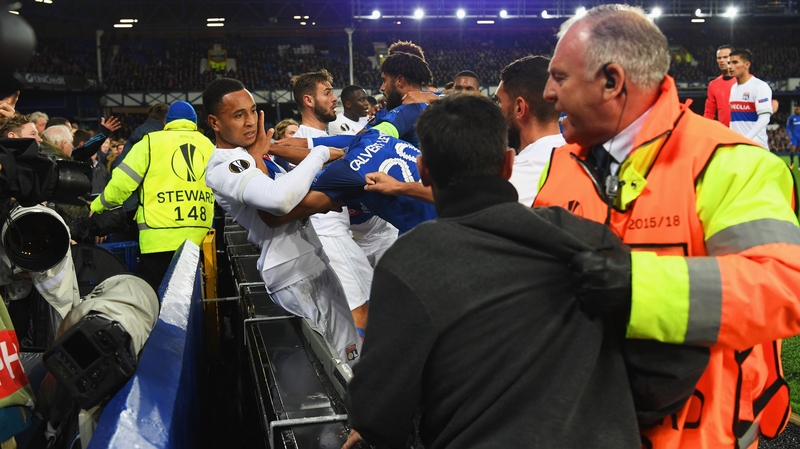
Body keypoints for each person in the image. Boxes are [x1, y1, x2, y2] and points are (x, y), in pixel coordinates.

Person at [536, 5, 800, 448]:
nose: (547, 92)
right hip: (578, 425)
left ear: (611, 81)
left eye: (559, 77)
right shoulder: (558, 164)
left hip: (695, 434)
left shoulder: (729, 162)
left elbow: (785, 283)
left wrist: (639, 288)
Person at [342, 94, 640, 449]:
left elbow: (377, 416)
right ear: (508, 164)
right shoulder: (592, 237)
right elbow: (659, 362)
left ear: (423, 170)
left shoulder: (410, 263)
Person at [202, 78, 361, 365]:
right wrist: (320, 154)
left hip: (310, 260)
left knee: (350, 357)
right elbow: (278, 203)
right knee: (338, 366)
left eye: (252, 111)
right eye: (239, 115)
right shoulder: (223, 165)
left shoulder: (247, 155)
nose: (250, 121)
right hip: (293, 272)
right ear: (214, 122)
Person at [90, 101, 215, 290]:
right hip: (200, 240)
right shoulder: (209, 146)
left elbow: (121, 185)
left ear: (168, 122)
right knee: (195, 300)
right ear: (195, 122)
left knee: (156, 300)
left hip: (158, 240)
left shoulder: (150, 143)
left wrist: (97, 206)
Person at [290, 70, 373, 333]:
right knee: (362, 314)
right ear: (308, 100)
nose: (334, 98)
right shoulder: (297, 147)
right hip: (329, 239)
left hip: (339, 236)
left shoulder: (324, 138)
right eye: (327, 93)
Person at [495, 56, 566, 206]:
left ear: (519, 108)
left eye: (499, 102)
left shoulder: (513, 177)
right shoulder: (584, 162)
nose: (496, 111)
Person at [728, 48, 772, 150]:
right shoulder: (733, 88)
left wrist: (746, 139)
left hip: (756, 146)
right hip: (738, 146)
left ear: (747, 65)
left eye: (735, 62)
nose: (730, 67)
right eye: (729, 63)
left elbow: (765, 118)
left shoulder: (760, 86)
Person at [703, 45, 736, 126]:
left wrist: (772, 102)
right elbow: (709, 114)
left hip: (744, 134)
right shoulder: (713, 85)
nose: (721, 60)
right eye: (719, 58)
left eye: (725, 57)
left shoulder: (745, 81)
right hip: (725, 134)